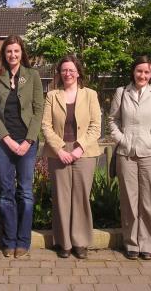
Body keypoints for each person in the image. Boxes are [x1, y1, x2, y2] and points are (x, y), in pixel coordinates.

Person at [0, 35, 44, 259]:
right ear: (4, 54)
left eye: (16, 51)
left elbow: (39, 110)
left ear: (22, 53)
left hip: (27, 142)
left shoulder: (33, 76)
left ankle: (23, 241)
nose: (13, 55)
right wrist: (7, 139)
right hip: (3, 143)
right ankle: (9, 241)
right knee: (7, 193)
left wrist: (28, 140)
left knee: (25, 193)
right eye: (9, 51)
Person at [108, 56, 151, 260]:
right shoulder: (121, 92)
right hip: (126, 154)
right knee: (129, 202)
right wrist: (122, 140)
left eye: (146, 72)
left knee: (149, 202)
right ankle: (132, 243)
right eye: (139, 71)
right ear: (133, 72)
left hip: (150, 154)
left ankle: (149, 244)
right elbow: (112, 121)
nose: (142, 75)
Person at [42, 55, 102, 259]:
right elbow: (46, 126)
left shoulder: (91, 95)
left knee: (81, 197)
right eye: (64, 70)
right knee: (61, 198)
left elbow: (96, 127)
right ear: (59, 73)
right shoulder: (52, 95)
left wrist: (79, 148)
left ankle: (81, 242)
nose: (67, 73)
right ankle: (64, 243)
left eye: (71, 70)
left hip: (84, 152)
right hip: (57, 152)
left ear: (78, 72)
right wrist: (59, 149)